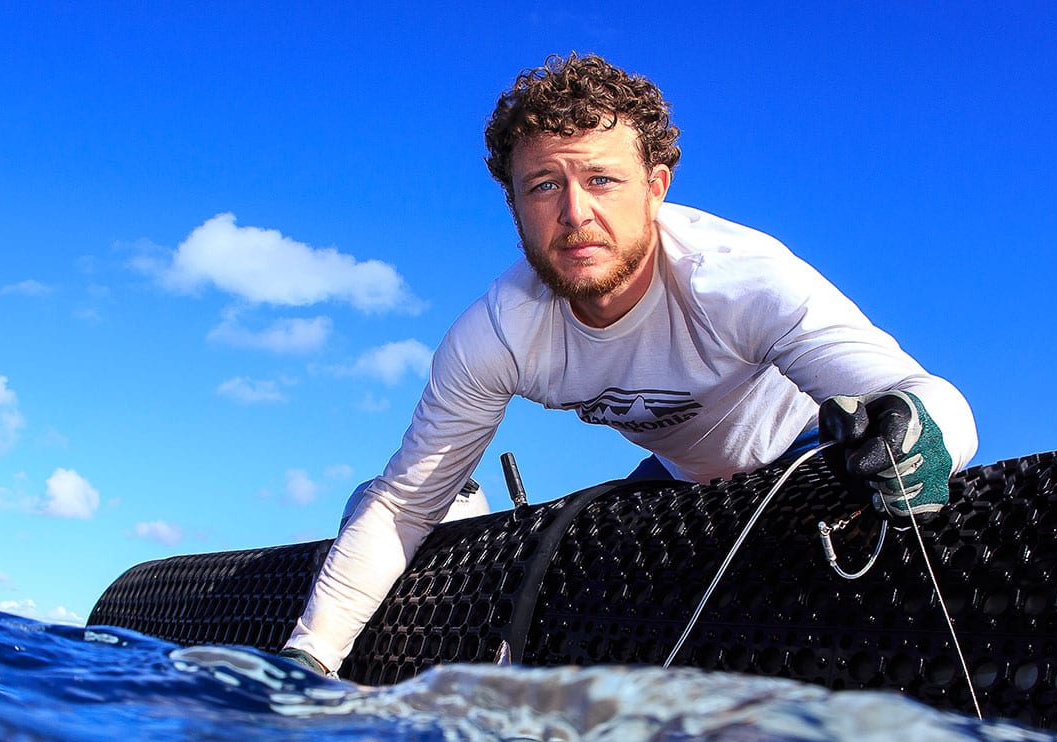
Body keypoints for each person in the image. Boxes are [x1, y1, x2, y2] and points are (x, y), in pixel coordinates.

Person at [281, 53, 977, 676]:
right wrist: (308, 658)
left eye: (602, 178)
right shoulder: (496, 333)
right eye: (544, 185)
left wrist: (918, 434)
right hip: (673, 487)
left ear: (656, 187)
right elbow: (404, 505)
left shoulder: (738, 279)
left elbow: (918, 398)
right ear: (514, 205)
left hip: (806, 461)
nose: (575, 212)